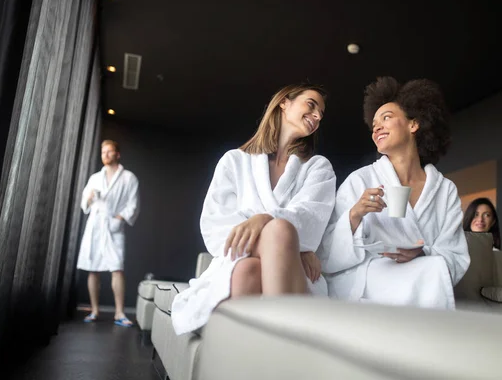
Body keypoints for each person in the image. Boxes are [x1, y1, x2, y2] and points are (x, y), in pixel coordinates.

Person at [171, 83, 336, 335]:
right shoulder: (234, 161)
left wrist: (264, 220)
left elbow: (312, 218)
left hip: (291, 270)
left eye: (321, 115)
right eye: (311, 105)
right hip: (237, 258)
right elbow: (216, 224)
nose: (316, 116)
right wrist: (281, 234)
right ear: (284, 102)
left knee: (272, 239)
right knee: (261, 253)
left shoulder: (317, 168)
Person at [318, 76, 470, 309]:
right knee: (420, 272)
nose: (376, 127)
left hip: (423, 273)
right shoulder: (360, 180)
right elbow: (326, 255)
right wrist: (354, 215)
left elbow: (456, 256)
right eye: (374, 124)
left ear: (413, 124)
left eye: (386, 118)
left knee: (431, 269)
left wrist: (421, 254)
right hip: (369, 277)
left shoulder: (445, 190)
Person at [77, 140, 140, 327]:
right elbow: (84, 204)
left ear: (117, 154)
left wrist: (119, 219)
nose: (105, 154)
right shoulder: (95, 178)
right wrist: (88, 199)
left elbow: (133, 204)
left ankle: (119, 313)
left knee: (117, 268)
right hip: (95, 225)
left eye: (109, 151)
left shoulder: (129, 178)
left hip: (113, 225)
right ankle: (95, 310)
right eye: (103, 152)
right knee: (93, 268)